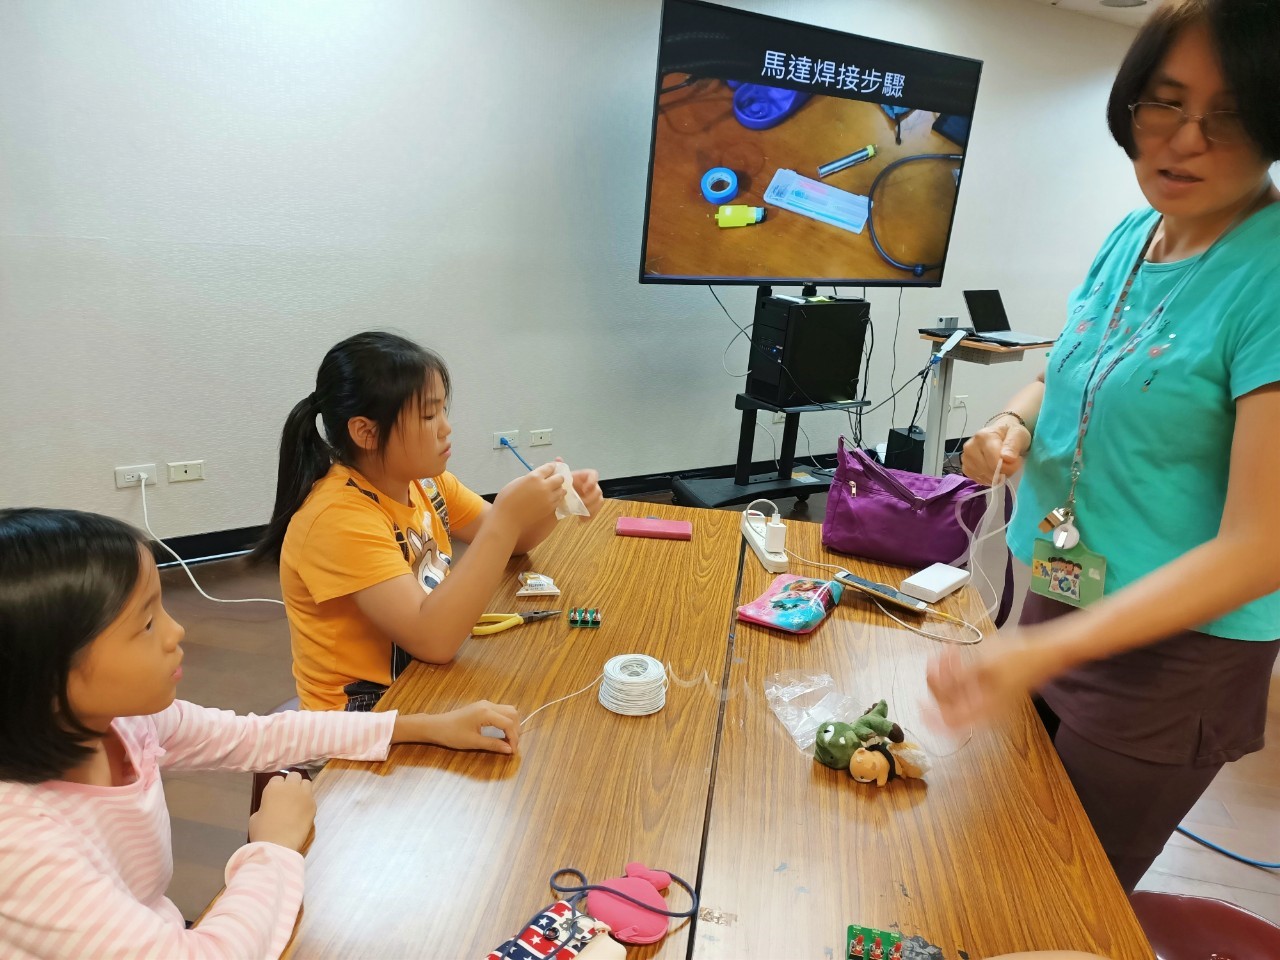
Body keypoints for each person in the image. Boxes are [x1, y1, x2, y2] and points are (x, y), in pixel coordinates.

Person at [930, 0, 1280, 893]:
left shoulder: (1270, 275)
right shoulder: (1136, 233)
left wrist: (1041, 653)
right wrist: (1014, 420)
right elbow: (1073, 369)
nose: (1186, 139)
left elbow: (1261, 547)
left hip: (1172, 660)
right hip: (1058, 598)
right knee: (996, 853)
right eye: (1166, 102)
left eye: (1231, 112)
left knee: (1061, 901)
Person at [0, 507, 521, 958]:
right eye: (147, 623)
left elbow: (256, 737)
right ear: (43, 674)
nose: (177, 630)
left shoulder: (123, 722)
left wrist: (421, 726)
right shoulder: (20, 846)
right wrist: (273, 845)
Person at [251, 331, 604, 711]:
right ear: (366, 432)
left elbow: (514, 543)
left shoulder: (425, 483)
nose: (446, 428)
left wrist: (556, 504)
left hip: (420, 678)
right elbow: (434, 641)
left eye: (443, 411)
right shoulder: (338, 519)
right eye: (428, 415)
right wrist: (506, 517)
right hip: (360, 714)